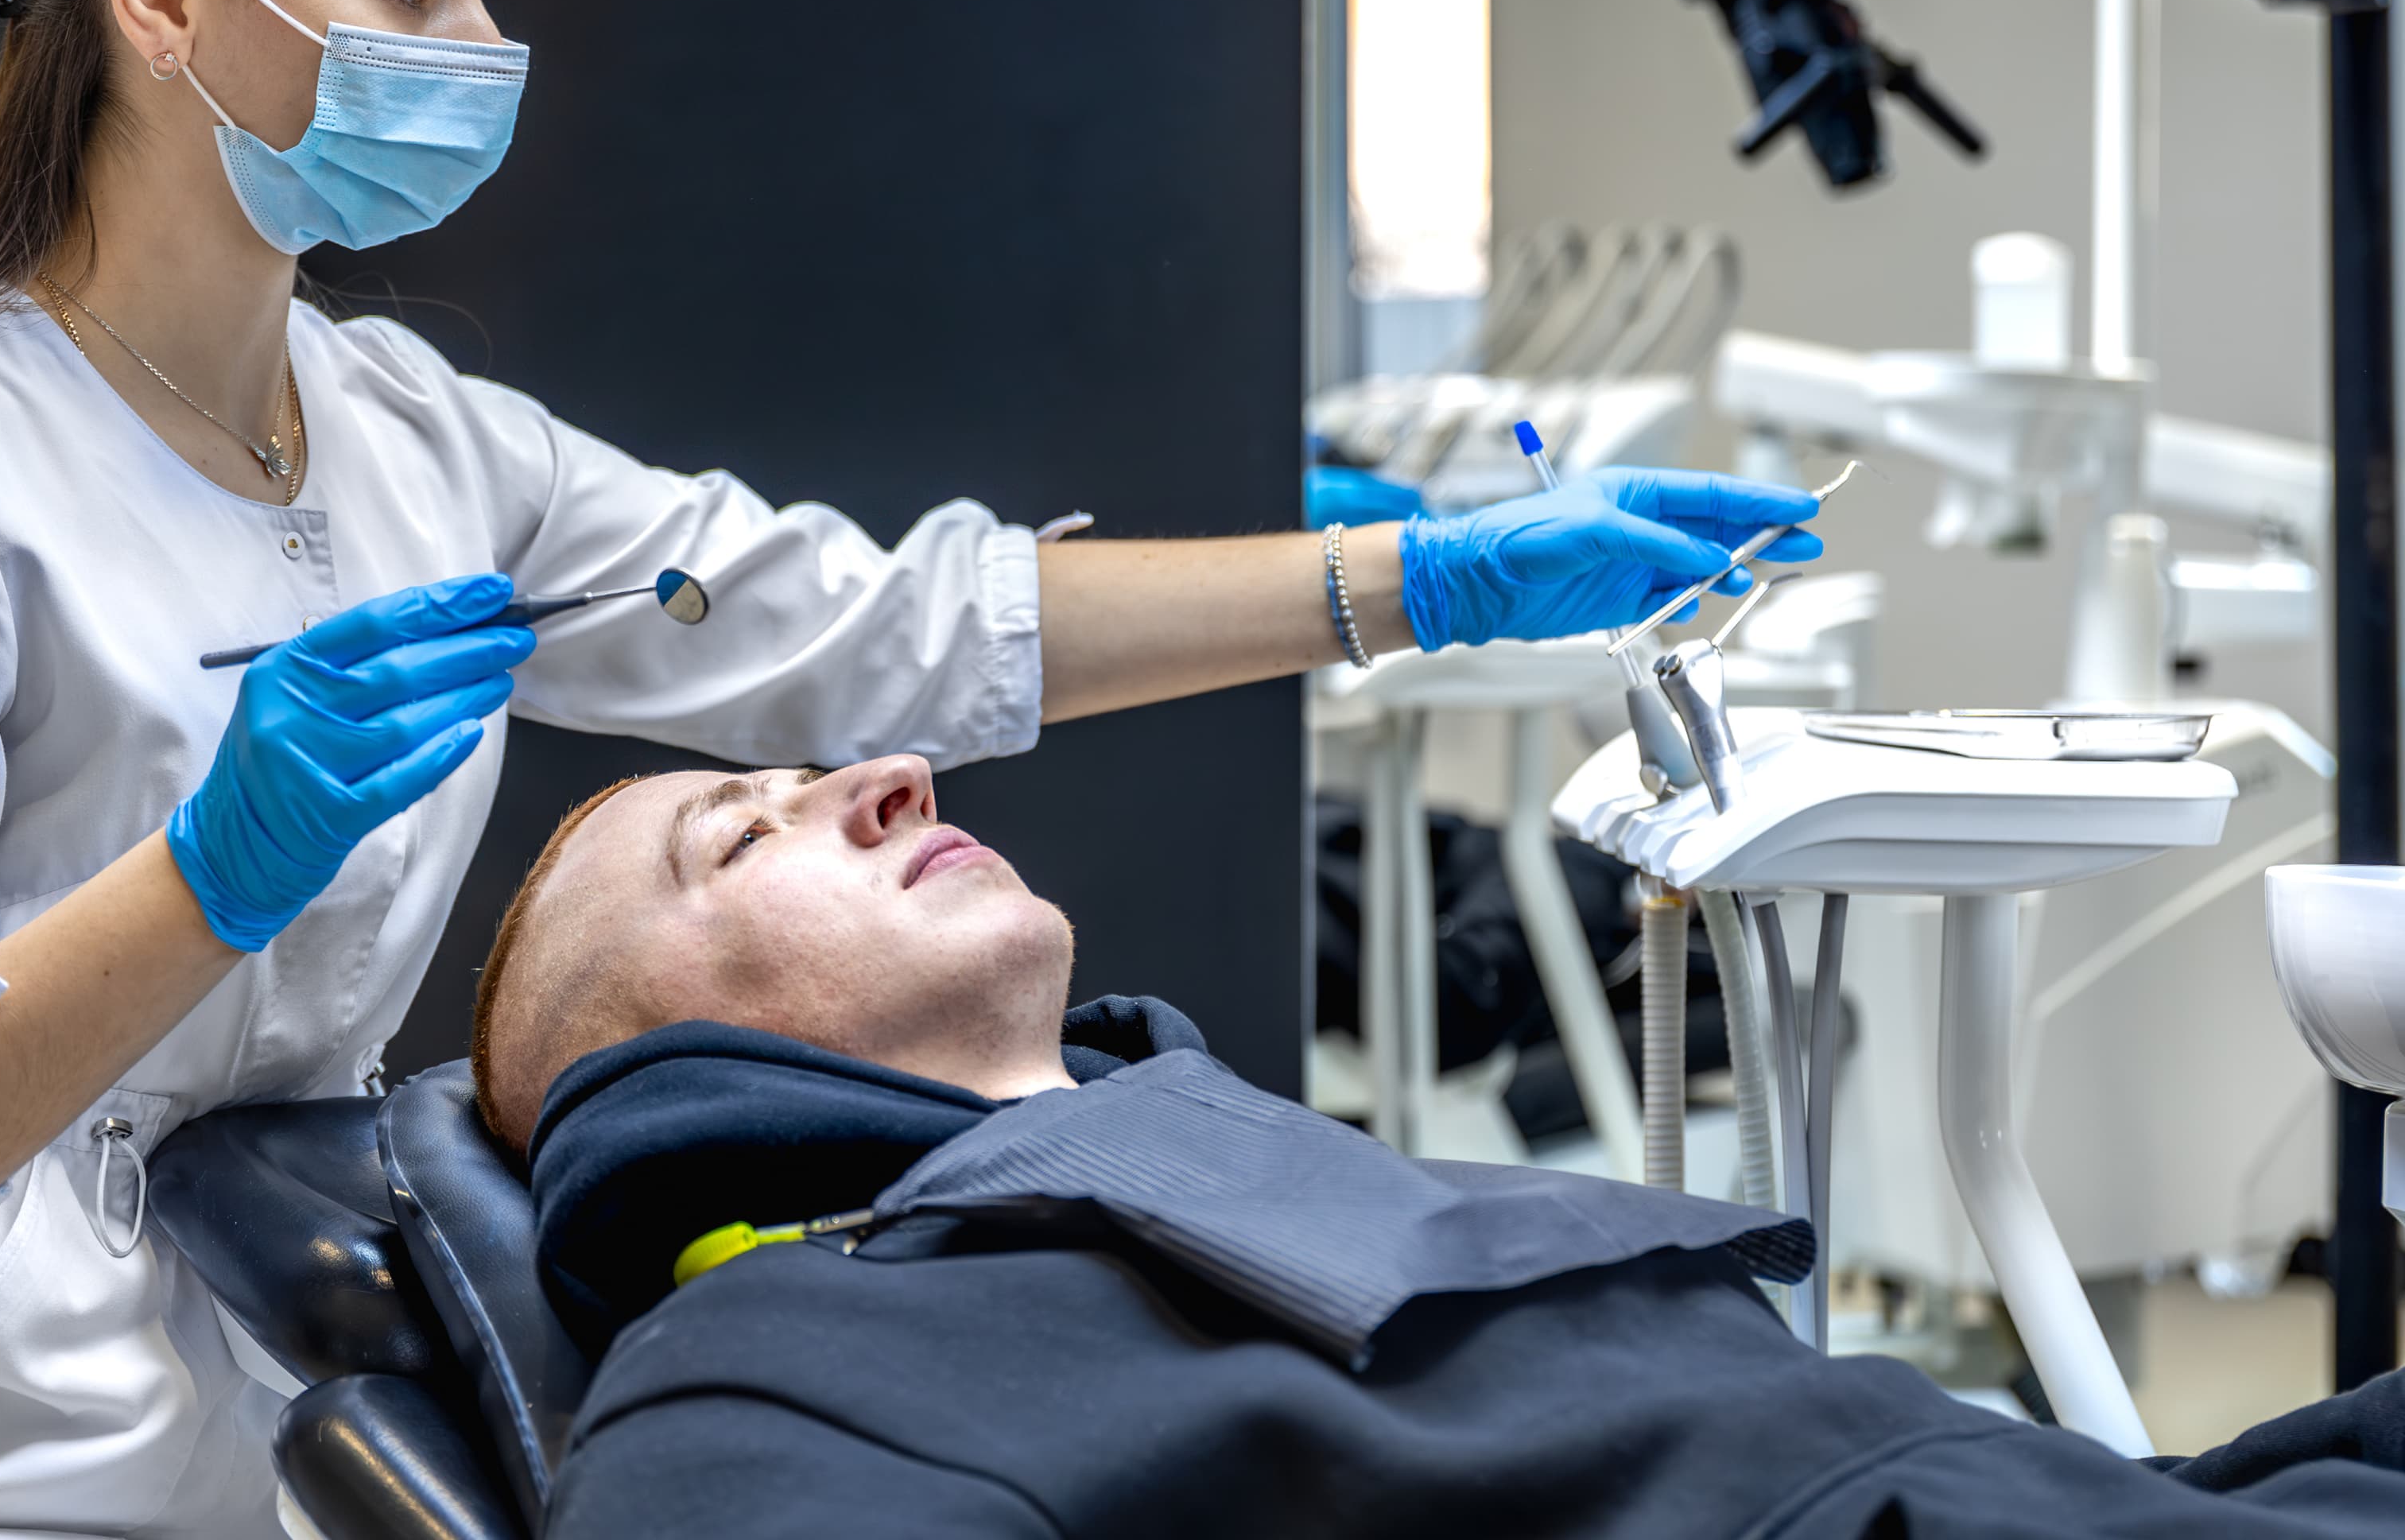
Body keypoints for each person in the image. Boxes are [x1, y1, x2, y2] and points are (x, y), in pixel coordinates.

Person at [0, 0, 1824, 1537]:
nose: (479, 59)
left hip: (262, 1408)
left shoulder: (413, 442)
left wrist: (1417, 582)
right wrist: (205, 876)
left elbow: (886, 629)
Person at [486, 758, 2405, 1540]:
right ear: (656, 1073)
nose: (882, 777)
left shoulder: (1135, 1184)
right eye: (741, 838)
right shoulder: (765, 1371)